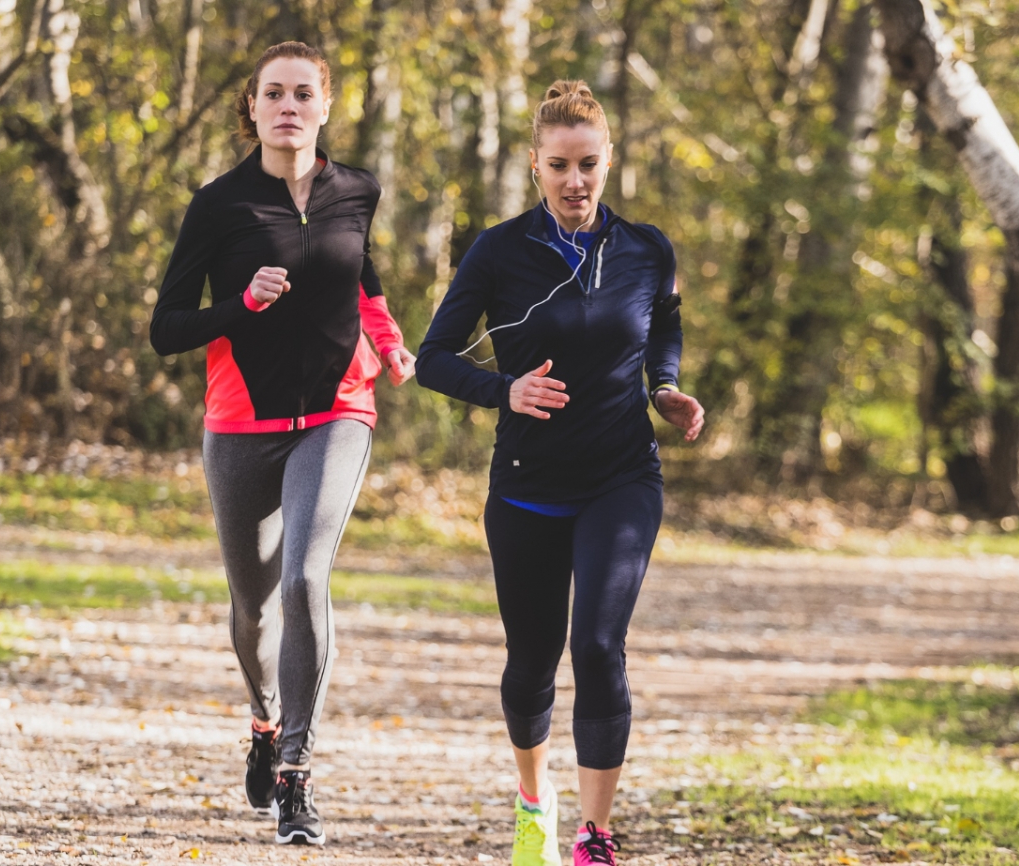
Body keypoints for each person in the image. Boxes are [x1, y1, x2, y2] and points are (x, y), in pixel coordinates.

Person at [416, 80, 705, 866]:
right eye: (558, 167)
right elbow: (433, 359)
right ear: (535, 167)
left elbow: (664, 325)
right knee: (532, 657)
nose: (575, 182)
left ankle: (596, 834)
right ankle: (533, 803)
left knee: (599, 644)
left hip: (621, 477)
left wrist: (666, 389)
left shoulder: (647, 248)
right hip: (526, 484)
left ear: (609, 160)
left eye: (588, 165)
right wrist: (503, 388)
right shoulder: (499, 250)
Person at [149, 41, 415, 847]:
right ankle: (264, 720)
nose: (289, 105)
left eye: (304, 92)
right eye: (274, 94)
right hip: (240, 426)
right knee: (252, 606)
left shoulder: (356, 191)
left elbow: (361, 279)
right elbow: (167, 330)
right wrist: (241, 304)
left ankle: (297, 775)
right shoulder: (218, 205)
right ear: (254, 110)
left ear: (325, 106)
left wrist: (392, 343)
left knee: (304, 579)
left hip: (339, 412)